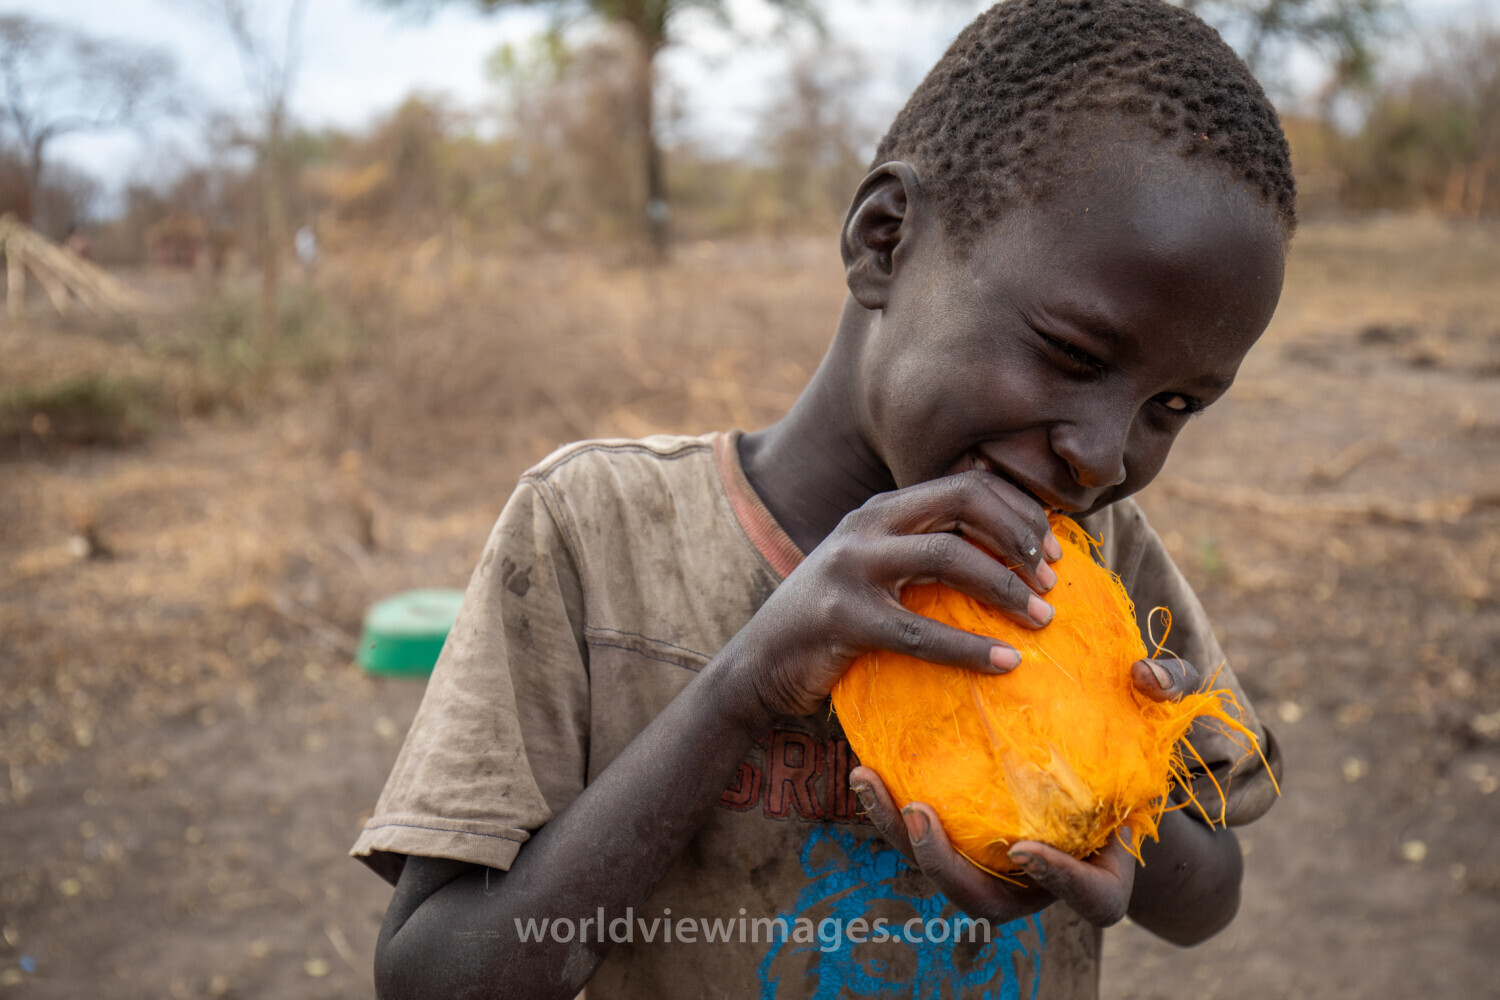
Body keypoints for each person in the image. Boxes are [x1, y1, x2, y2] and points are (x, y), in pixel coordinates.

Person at [351, 0, 1293, 995]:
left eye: (1173, 406)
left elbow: (1212, 895)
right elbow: (433, 975)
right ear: (885, 241)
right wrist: (747, 683)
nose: (1101, 458)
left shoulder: (1098, 560)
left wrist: (1118, 784)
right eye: (1070, 353)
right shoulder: (596, 534)